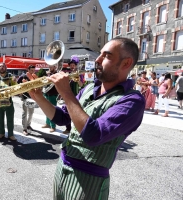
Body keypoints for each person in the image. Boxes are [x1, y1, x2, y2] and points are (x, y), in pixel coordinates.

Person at [27, 37, 145, 199]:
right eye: (100, 54)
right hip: (63, 166)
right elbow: (63, 118)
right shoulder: (89, 88)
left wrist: (66, 93)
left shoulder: (132, 100)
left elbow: (94, 135)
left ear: (126, 63)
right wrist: (39, 97)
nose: (98, 59)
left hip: (90, 178)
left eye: (107, 56)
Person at [0, 63, 17, 141]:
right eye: (0, 66)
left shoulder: (10, 76)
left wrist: (14, 81)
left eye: (3, 66)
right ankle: (1, 133)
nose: (2, 68)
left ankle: (11, 134)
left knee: (10, 118)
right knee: (0, 118)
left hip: (9, 101)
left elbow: (15, 86)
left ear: (6, 67)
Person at [63, 56, 83, 134]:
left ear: (76, 65)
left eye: (73, 65)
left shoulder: (79, 74)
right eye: (71, 65)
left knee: (76, 113)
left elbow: (81, 85)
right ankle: (68, 128)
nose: (72, 66)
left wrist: (77, 79)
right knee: (67, 112)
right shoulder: (68, 73)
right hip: (68, 95)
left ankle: (77, 129)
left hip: (76, 96)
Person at [17, 65, 36, 136]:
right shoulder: (23, 77)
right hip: (25, 97)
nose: (33, 72)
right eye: (31, 70)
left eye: (34, 70)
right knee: (25, 113)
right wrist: (20, 91)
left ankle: (28, 125)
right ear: (28, 70)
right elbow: (17, 84)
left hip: (32, 98)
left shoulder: (34, 76)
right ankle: (24, 128)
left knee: (31, 113)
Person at [41, 65, 59, 133]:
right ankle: (47, 123)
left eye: (51, 67)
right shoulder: (48, 74)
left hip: (53, 94)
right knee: (46, 109)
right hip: (47, 93)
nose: (49, 68)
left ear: (54, 67)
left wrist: (50, 76)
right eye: (49, 67)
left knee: (52, 111)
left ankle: (53, 126)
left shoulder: (56, 74)